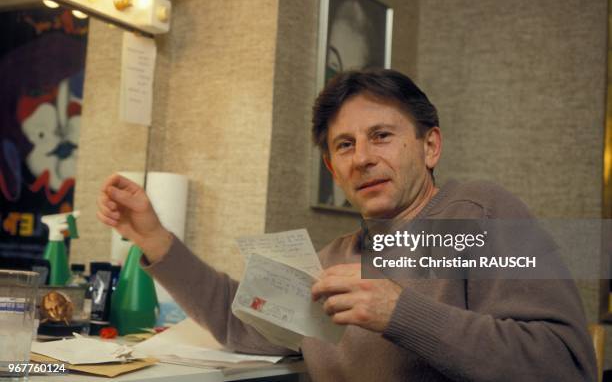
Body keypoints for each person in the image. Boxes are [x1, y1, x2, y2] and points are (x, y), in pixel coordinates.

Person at [97, 69, 596, 381]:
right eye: (344, 145)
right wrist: (155, 239)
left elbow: (564, 364)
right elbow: (237, 324)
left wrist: (400, 312)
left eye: (381, 136)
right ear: (333, 170)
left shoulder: (480, 213)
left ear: (430, 147)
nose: (363, 158)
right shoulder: (333, 259)